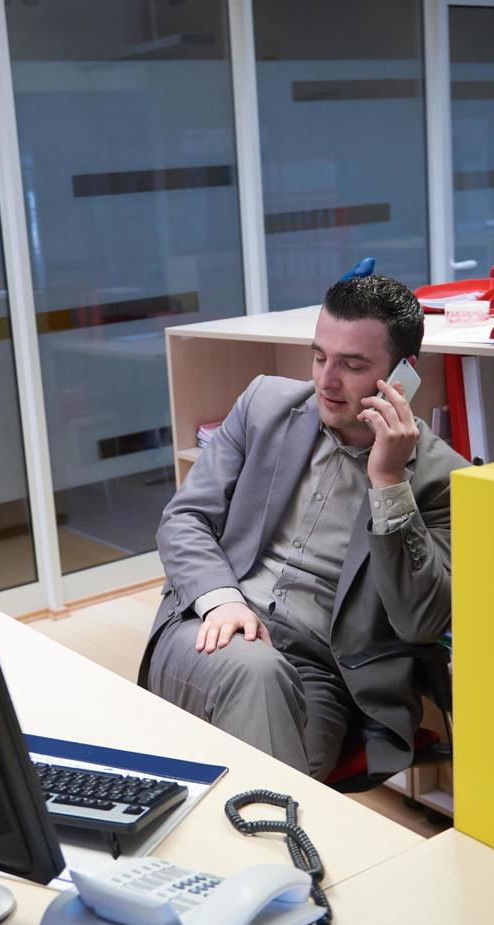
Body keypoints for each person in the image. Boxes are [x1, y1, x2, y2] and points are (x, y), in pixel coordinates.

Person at [140, 274, 468, 780]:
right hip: (210, 624)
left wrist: (387, 482)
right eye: (320, 357)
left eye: (352, 365)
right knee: (257, 683)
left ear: (405, 373)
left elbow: (420, 622)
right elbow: (185, 517)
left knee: (275, 769)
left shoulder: (440, 477)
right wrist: (221, 598)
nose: (327, 381)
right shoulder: (264, 405)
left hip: (323, 671)